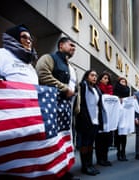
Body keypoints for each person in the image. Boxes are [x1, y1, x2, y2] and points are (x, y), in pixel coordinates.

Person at [35, 37, 79, 180]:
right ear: (61, 45)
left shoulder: (71, 68)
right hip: (51, 108)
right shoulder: (48, 58)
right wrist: (64, 88)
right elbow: (42, 74)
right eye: (71, 45)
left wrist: (76, 106)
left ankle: (63, 171)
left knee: (64, 140)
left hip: (66, 110)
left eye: (75, 46)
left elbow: (75, 89)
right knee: (52, 141)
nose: (73, 48)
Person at [75, 70, 103, 176]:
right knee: (85, 144)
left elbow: (98, 105)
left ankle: (90, 164)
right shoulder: (83, 86)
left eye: (96, 76)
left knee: (91, 143)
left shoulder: (97, 89)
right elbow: (80, 104)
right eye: (92, 75)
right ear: (87, 77)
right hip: (85, 120)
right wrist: (85, 118)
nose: (94, 77)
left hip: (95, 120)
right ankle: (85, 166)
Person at [95, 71, 114, 166]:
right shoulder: (97, 88)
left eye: (107, 79)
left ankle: (105, 158)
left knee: (107, 140)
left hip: (109, 117)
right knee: (100, 140)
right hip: (100, 117)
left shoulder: (110, 90)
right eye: (104, 78)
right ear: (101, 79)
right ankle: (100, 159)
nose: (106, 80)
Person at [113, 77, 130, 161]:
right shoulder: (115, 89)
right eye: (122, 81)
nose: (123, 83)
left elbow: (129, 100)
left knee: (124, 134)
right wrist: (118, 99)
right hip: (117, 113)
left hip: (125, 113)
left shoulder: (127, 89)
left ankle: (123, 152)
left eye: (125, 81)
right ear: (119, 82)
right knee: (118, 134)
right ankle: (118, 151)